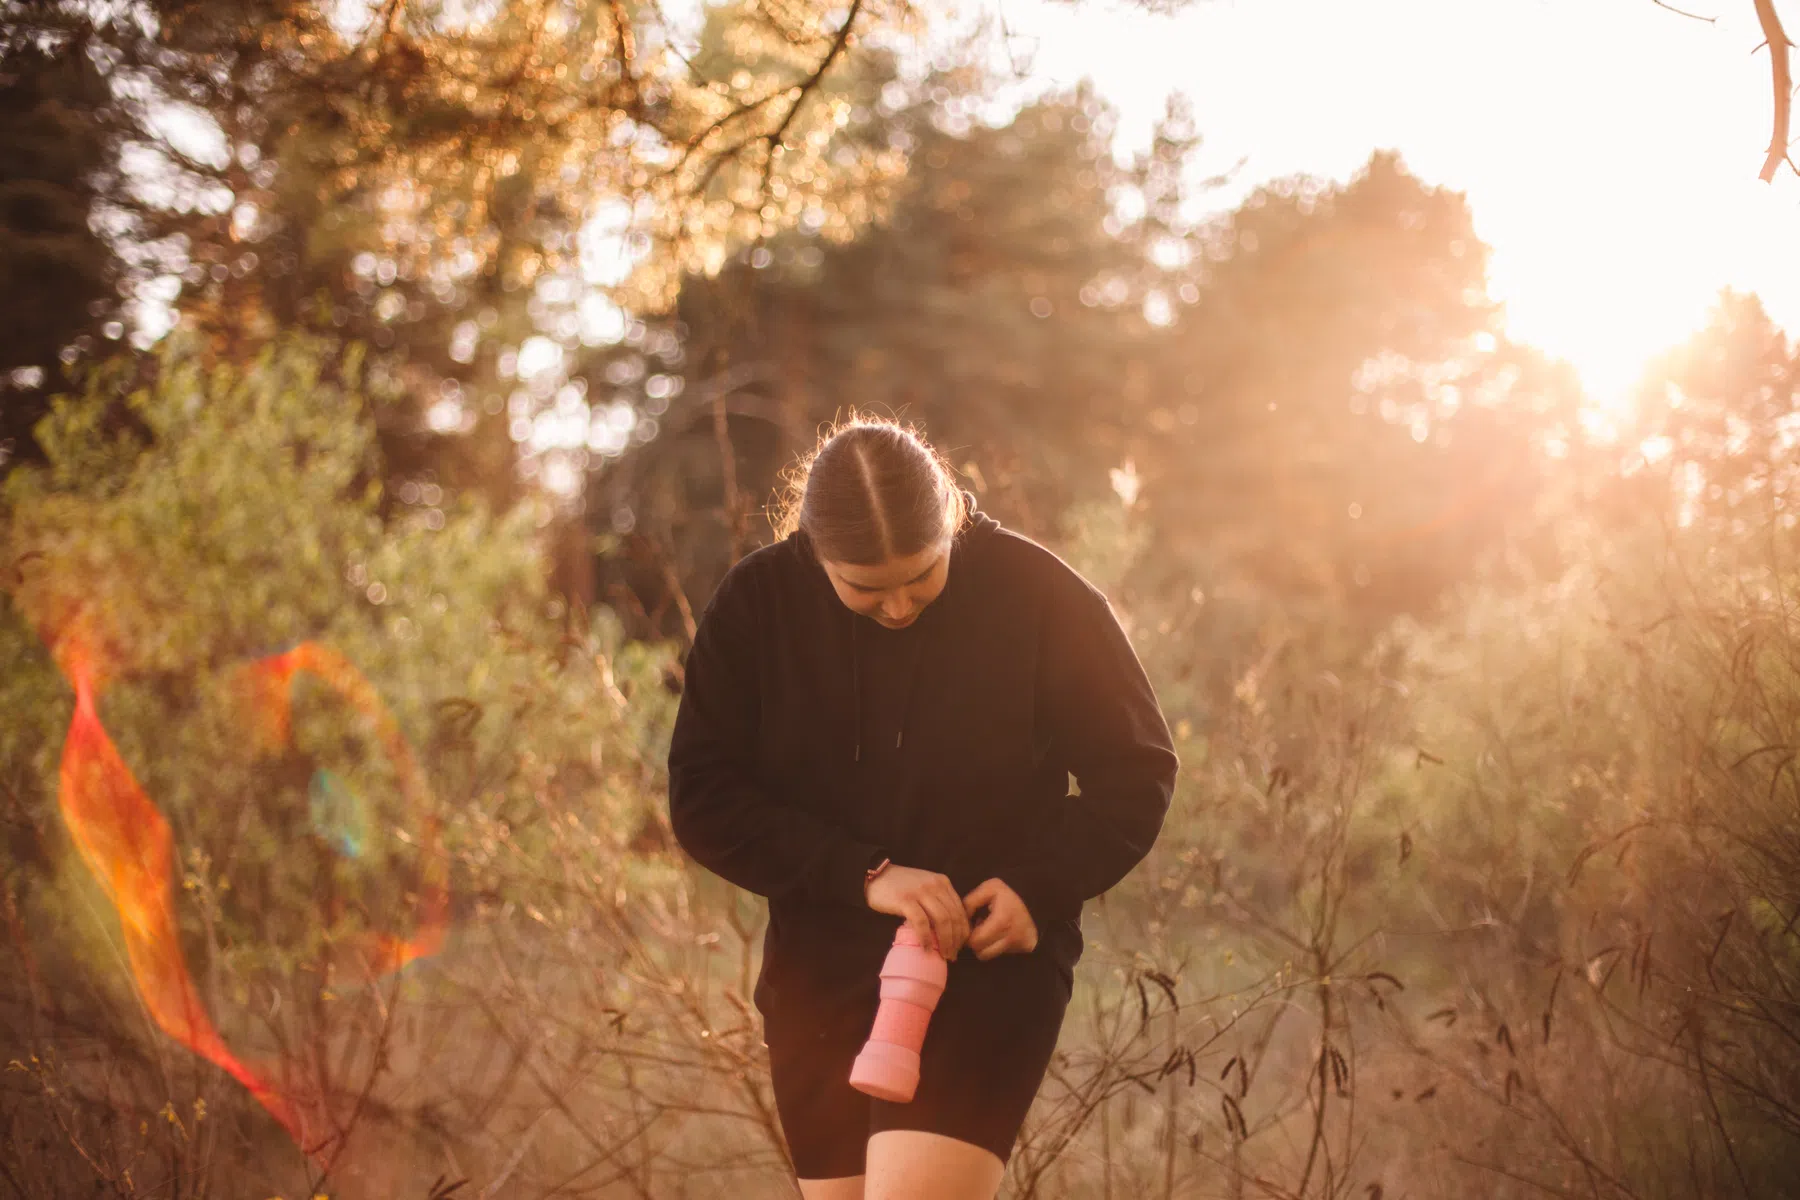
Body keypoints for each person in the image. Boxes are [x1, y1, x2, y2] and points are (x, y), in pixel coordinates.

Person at [667, 417, 1178, 1200]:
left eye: (922, 575)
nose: (900, 606)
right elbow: (704, 795)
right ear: (813, 551)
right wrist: (863, 875)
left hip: (983, 960)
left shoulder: (1040, 594)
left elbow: (1135, 772)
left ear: (951, 527)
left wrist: (1039, 885)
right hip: (819, 974)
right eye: (865, 589)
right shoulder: (756, 605)